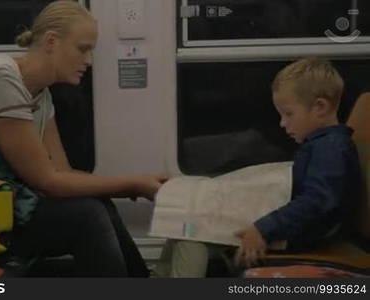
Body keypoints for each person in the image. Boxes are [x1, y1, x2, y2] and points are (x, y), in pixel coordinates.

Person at [0, 0, 167, 277]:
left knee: (99, 204)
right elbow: (49, 182)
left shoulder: (40, 95)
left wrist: (129, 186)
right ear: (52, 41)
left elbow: (62, 172)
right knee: (87, 216)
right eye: (83, 49)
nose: (88, 61)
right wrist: (134, 185)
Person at [153, 57, 362, 277]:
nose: (282, 123)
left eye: (288, 114)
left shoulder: (331, 149)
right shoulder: (321, 145)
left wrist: (263, 228)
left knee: (192, 234)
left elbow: (317, 202)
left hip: (303, 236)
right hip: (293, 226)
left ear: (320, 107)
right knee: (182, 223)